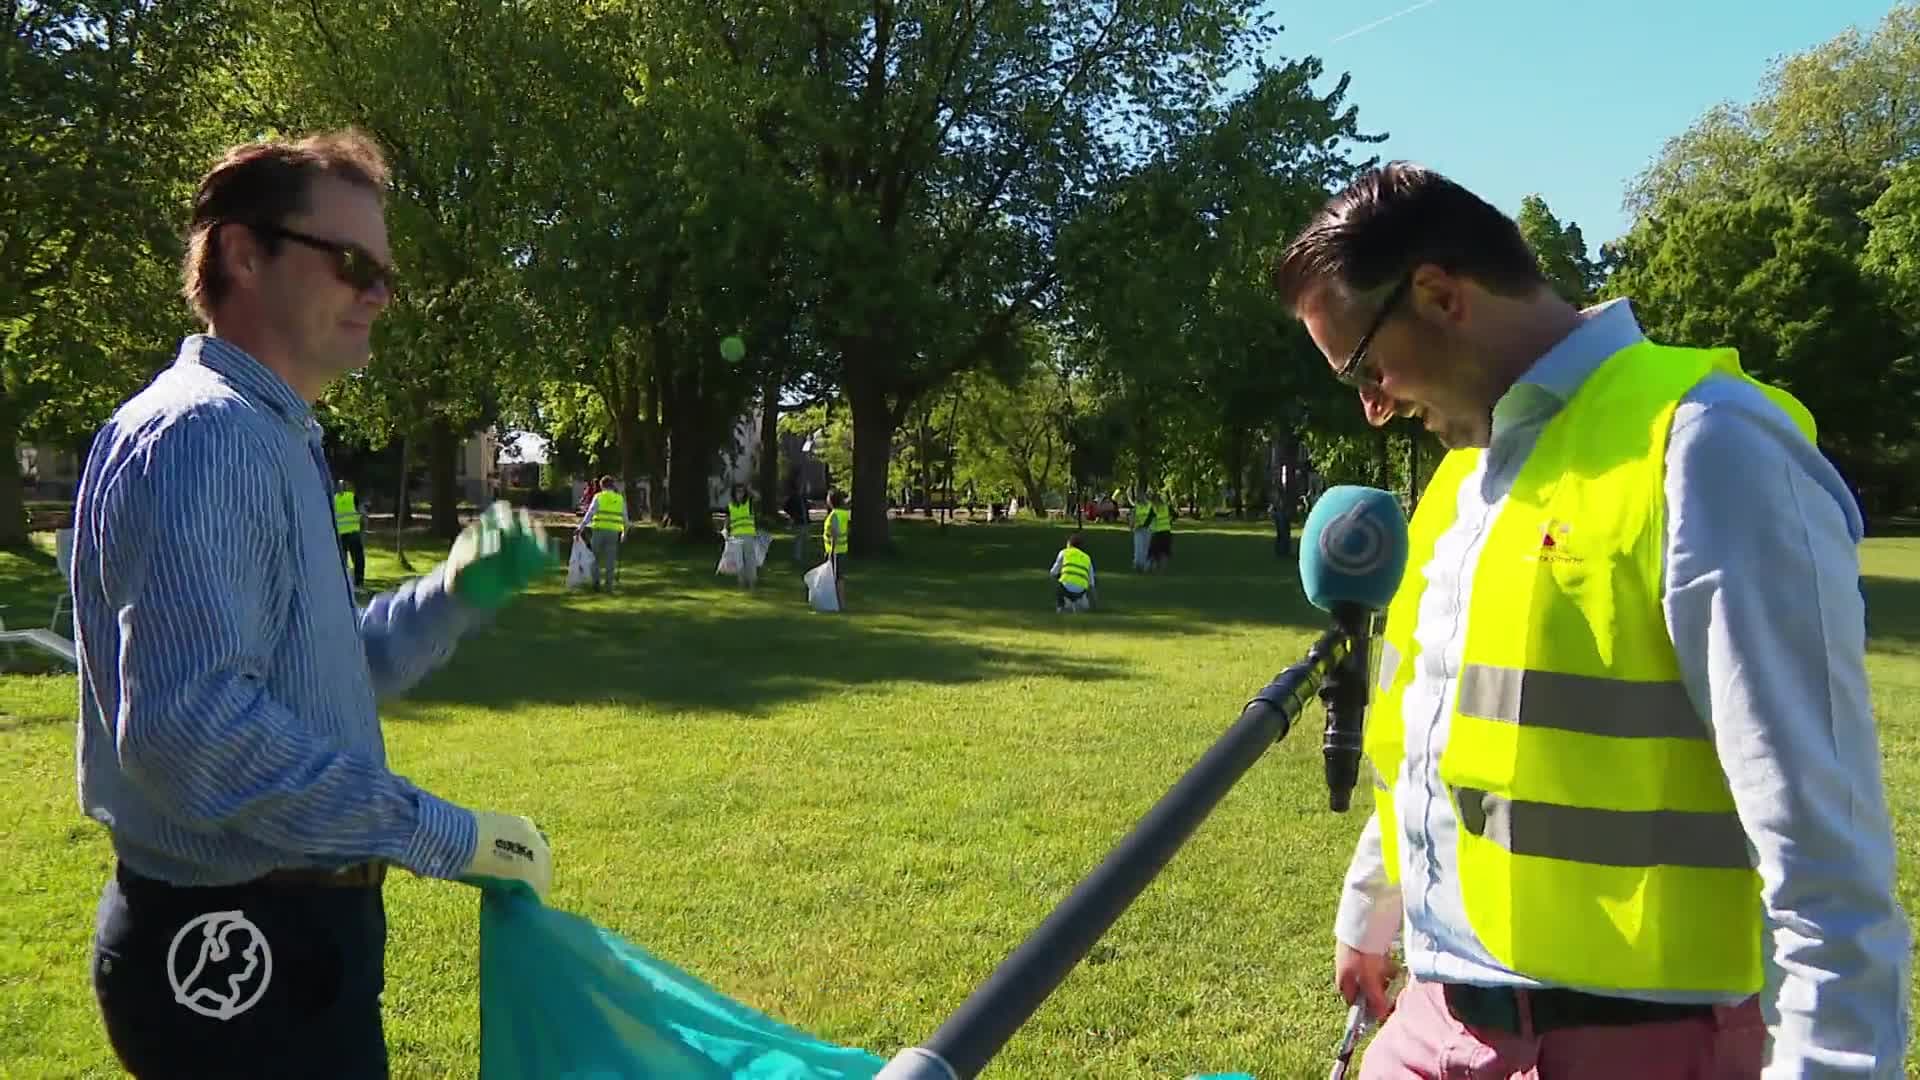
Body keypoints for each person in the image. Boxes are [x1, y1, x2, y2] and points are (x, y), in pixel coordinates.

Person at [1271, 161, 1910, 1078]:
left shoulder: (1709, 447)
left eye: (1366, 367)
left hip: (1628, 1048)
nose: (1373, 408)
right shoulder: (1460, 481)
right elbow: (1433, 737)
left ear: (1440, 294)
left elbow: (1828, 861)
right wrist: (1370, 914)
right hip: (1430, 1022)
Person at [71, 129, 554, 1080]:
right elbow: (190, 733)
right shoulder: (205, 438)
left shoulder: (270, 435)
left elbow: (326, 675)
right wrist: (446, 834)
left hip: (288, 941)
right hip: (236, 957)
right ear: (246, 254)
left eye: (384, 274)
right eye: (350, 264)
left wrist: (451, 596)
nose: (377, 295)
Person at [578, 472, 627, 593]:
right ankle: (608, 586)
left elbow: (590, 513)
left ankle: (596, 583)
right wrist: (624, 533)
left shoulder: (598, 497)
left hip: (599, 530)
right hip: (613, 532)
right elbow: (625, 518)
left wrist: (581, 527)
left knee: (594, 558)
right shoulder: (620, 499)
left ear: (601, 486)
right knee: (610, 560)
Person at [724, 481, 760, 590]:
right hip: (736, 537)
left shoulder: (749, 503)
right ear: (733, 493)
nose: (740, 494)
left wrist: (749, 490)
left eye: (742, 491)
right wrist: (725, 530)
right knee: (739, 561)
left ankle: (752, 584)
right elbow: (727, 520)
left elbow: (758, 496)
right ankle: (741, 583)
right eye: (737, 492)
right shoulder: (730, 506)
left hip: (749, 535)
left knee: (750, 561)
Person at [1049, 532, 1096, 613]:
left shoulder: (1064, 552)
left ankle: (1060, 607)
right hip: (1081, 590)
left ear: (1069, 544)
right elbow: (1091, 582)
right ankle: (1079, 603)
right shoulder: (1087, 557)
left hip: (1066, 587)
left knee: (1057, 582)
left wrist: (1056, 575)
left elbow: (1053, 572)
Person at [334, 477, 367, 589]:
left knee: (342, 561)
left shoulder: (333, 500)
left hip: (340, 535)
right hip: (353, 534)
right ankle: (359, 583)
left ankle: (343, 584)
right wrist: (364, 530)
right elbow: (363, 514)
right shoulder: (353, 498)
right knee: (358, 559)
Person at [822, 489, 850, 611]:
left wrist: (831, 553)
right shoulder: (842, 513)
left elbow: (834, 534)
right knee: (838, 578)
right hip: (841, 550)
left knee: (837, 578)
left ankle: (839, 604)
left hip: (835, 552)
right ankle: (838, 603)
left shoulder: (834, 515)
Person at [1146, 491, 1173, 571]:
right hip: (1167, 531)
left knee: (1153, 552)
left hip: (1157, 532)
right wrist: (1170, 521)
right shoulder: (1166, 506)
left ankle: (1152, 568)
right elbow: (1175, 514)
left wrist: (1144, 526)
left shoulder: (1154, 508)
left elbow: (1148, 520)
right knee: (1164, 552)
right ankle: (1162, 569)